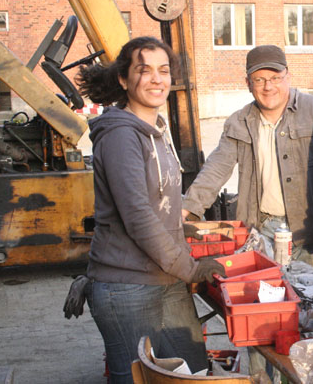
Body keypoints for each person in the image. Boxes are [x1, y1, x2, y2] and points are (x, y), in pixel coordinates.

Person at [76, 36, 225, 383]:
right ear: (124, 80)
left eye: (164, 70)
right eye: (144, 71)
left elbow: (160, 205)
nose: (157, 79)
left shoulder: (155, 129)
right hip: (127, 285)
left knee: (192, 371)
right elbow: (138, 215)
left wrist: (185, 232)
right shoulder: (120, 135)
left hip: (164, 277)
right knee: (136, 378)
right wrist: (189, 268)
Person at [182, 45, 313, 273]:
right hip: (263, 232)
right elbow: (216, 169)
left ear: (288, 77)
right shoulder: (239, 122)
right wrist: (188, 210)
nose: (268, 86)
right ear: (248, 83)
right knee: (269, 299)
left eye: (275, 78)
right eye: (259, 80)